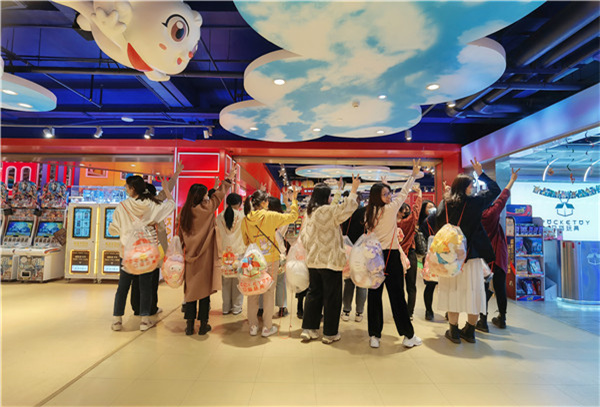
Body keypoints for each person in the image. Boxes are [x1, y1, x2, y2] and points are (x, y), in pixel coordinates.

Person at [434, 158, 500, 344]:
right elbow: (495, 190)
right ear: (466, 187)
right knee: (474, 292)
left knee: (452, 291)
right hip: (471, 256)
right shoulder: (475, 202)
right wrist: (481, 174)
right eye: (471, 185)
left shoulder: (445, 203)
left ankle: (454, 331)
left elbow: (437, 223)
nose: (473, 188)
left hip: (450, 257)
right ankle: (470, 331)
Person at [365, 160, 422, 349]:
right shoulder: (389, 210)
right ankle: (408, 335)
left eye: (389, 193)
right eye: (386, 194)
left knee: (374, 296)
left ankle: (374, 335)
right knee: (397, 297)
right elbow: (403, 193)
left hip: (374, 257)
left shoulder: (370, 212)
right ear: (378, 197)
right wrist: (412, 175)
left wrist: (384, 185)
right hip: (390, 257)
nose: (390, 196)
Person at [109, 175, 175, 332]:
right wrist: (166, 189)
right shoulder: (151, 205)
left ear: (132, 189)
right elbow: (171, 205)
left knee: (123, 288)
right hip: (147, 253)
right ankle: (145, 320)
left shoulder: (123, 206)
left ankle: (117, 320)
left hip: (128, 253)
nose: (126, 189)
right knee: (145, 287)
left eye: (127, 187)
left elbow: (113, 229)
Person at [300, 176, 360, 344]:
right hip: (330, 262)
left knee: (314, 294)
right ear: (326, 197)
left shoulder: (309, 213)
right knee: (332, 298)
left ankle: (309, 329)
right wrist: (353, 189)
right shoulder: (327, 211)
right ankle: (329, 333)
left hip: (313, 261)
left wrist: (340, 190)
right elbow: (345, 209)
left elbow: (303, 237)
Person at [179, 167, 236, 336]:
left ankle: (189, 326)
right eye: (205, 194)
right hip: (206, 258)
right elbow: (218, 196)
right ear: (202, 196)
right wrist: (228, 179)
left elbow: (179, 235)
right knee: (204, 292)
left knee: (190, 292)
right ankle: (203, 325)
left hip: (189, 256)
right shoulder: (207, 208)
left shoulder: (184, 212)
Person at [242, 187, 299, 337]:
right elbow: (293, 216)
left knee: (253, 293)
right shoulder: (271, 216)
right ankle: (267, 327)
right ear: (264, 203)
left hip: (254, 261)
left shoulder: (246, 220)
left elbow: (246, 241)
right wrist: (293, 200)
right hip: (271, 259)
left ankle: (253, 326)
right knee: (269, 292)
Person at [131, 162, 184, 317]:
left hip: (137, 248)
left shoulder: (134, 205)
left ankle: (137, 308)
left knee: (137, 279)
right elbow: (167, 192)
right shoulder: (156, 205)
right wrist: (176, 174)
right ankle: (150, 308)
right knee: (151, 281)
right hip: (153, 249)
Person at [477, 168, 520, 332]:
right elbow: (503, 196)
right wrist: (512, 180)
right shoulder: (492, 212)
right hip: (498, 253)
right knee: (500, 287)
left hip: (482, 256)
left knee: (482, 287)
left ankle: (482, 320)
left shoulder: (475, 215)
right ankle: (502, 318)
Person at [216, 192, 245, 316]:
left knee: (226, 282)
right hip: (238, 253)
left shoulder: (219, 217)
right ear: (239, 204)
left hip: (225, 255)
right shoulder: (242, 216)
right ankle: (237, 308)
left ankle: (226, 308)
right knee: (238, 281)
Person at [340, 193, 367, 323]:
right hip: (362, 250)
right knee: (361, 282)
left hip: (348, 250)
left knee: (349, 282)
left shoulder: (344, 213)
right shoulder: (365, 212)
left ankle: (346, 311)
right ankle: (359, 312)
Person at [397, 184, 422, 320]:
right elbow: (417, 209)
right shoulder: (411, 221)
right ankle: (410, 313)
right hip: (410, 255)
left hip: (396, 255)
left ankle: (400, 311)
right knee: (411, 286)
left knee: (398, 286)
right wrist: (419, 195)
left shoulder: (392, 223)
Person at [418, 199, 438, 321]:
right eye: (428, 207)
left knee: (445, 285)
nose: (432, 209)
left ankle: (449, 311)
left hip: (442, 254)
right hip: (429, 256)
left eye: (433, 206)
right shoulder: (425, 223)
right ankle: (428, 310)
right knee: (430, 285)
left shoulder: (439, 220)